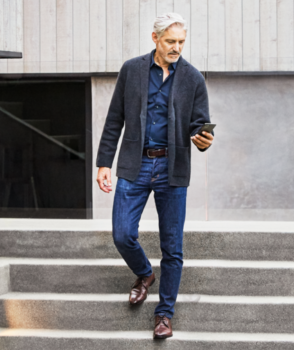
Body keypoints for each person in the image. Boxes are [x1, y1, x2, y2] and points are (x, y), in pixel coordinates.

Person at [95, 13, 214, 339]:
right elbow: (114, 119)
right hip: (136, 164)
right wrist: (104, 162)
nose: (177, 48)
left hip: (172, 169)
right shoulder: (132, 70)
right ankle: (144, 273)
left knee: (172, 248)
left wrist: (203, 138)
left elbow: (199, 123)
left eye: (181, 42)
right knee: (122, 233)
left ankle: (164, 314)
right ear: (155, 38)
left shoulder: (193, 78)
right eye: (171, 41)